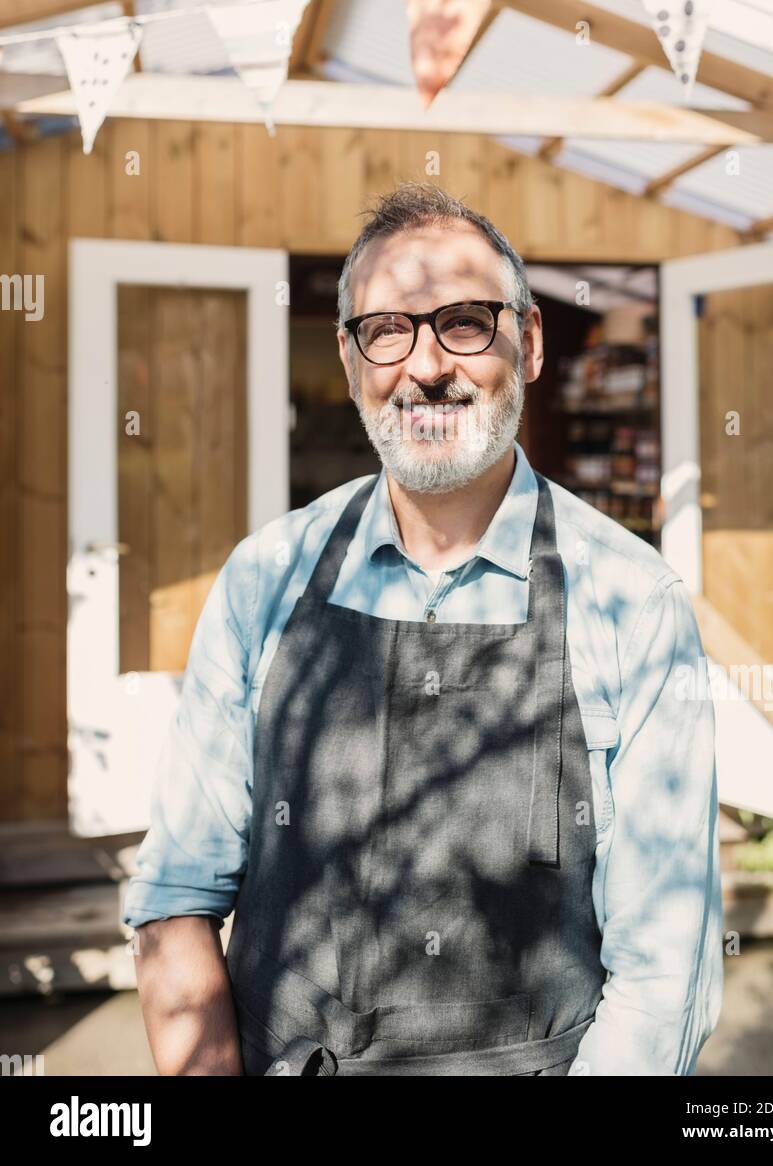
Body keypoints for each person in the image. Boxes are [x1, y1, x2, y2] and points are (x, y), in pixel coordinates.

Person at [123, 181, 723, 1076]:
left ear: (527, 344)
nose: (427, 363)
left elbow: (662, 972)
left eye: (465, 322)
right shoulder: (265, 578)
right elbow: (177, 897)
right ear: (351, 357)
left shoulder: (632, 602)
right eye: (389, 329)